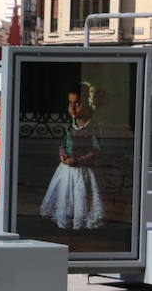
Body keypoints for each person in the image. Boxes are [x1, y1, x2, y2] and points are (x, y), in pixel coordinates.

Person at [39, 85, 104, 230]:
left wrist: (79, 159)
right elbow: (63, 143)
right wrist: (62, 153)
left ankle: (79, 223)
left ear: (88, 105)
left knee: (80, 196)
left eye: (77, 104)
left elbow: (96, 149)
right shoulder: (70, 126)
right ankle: (65, 220)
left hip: (81, 171)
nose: (73, 108)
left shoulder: (92, 128)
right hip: (66, 170)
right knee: (65, 195)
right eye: (70, 104)